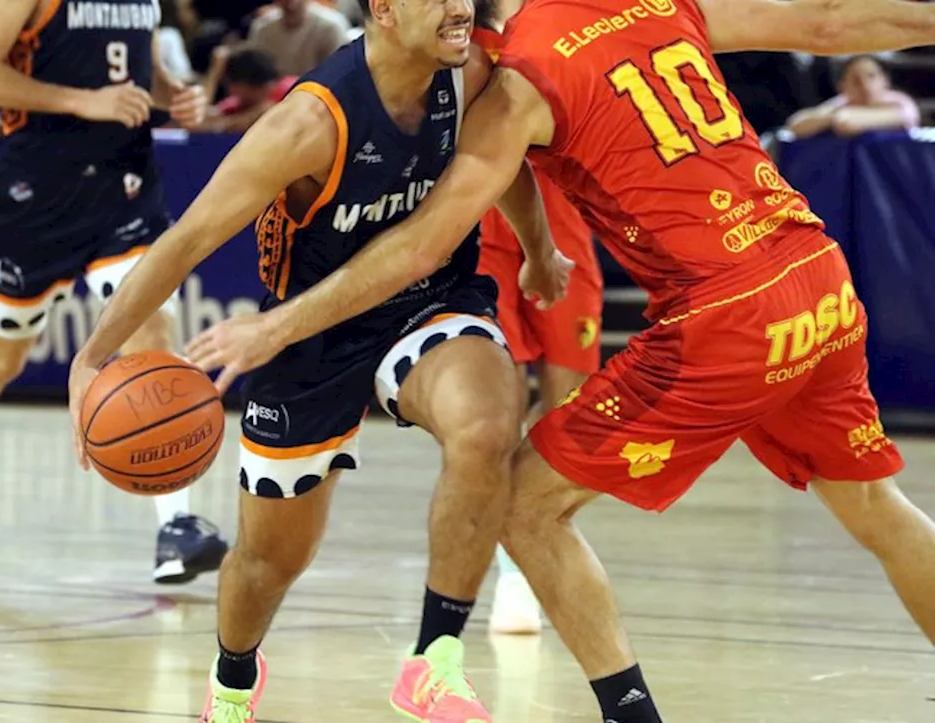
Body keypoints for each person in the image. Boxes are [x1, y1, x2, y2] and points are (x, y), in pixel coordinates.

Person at [186, 0, 935, 721]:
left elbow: (419, 245)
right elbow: (829, 20)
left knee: (521, 504)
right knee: (878, 509)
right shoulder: (654, 3)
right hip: (816, 274)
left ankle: (625, 713)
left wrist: (275, 324)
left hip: (725, 314)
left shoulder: (522, 74)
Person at [67, 0, 559, 719]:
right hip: (308, 333)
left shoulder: (471, 72)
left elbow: (499, 157)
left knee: (487, 423)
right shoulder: (308, 124)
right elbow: (185, 240)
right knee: (269, 563)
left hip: (431, 297)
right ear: (384, 10)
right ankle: (233, 682)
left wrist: (539, 250)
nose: (461, 7)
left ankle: (435, 659)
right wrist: (93, 357)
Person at [0, 0, 229, 586]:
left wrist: (174, 95)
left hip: (126, 183)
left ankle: (177, 524)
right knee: (4, 355)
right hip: (41, 191)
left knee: (152, 330)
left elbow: (138, 74)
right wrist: (82, 101)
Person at [471, 0, 605, 636]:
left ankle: (540, 533)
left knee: (563, 406)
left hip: (568, 227)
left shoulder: (574, 30)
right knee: (496, 407)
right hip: (482, 235)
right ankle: (511, 572)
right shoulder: (460, 39)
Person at [785, 54, 921, 139]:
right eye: (856, 80)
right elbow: (795, 125)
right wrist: (834, 116)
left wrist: (838, 117)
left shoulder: (900, 102)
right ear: (842, 86)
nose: (865, 86)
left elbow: (847, 123)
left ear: (885, 80)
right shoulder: (840, 104)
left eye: (871, 76)